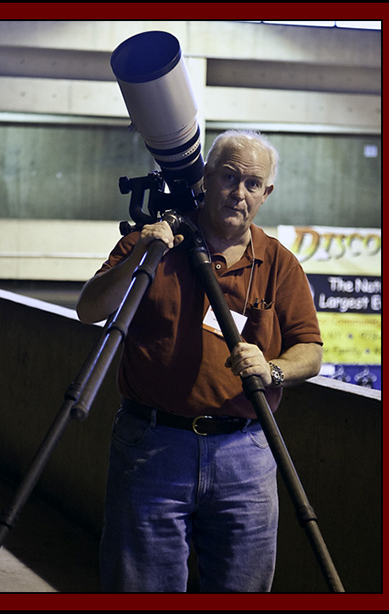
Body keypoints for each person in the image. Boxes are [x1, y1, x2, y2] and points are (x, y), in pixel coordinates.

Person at [76, 129, 323, 593]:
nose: (238, 193)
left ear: (266, 194)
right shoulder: (155, 242)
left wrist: (272, 369)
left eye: (253, 184)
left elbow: (310, 352)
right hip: (153, 445)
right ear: (207, 178)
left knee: (242, 588)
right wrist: (141, 254)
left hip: (246, 453)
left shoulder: (279, 263)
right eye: (229, 177)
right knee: (141, 586)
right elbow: (90, 309)